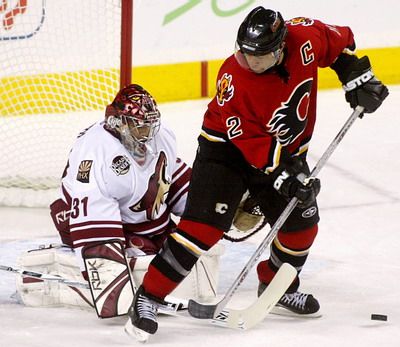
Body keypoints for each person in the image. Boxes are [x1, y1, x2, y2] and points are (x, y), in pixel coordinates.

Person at [127, 7, 389, 335]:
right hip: (226, 152)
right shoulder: (233, 78)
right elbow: (248, 141)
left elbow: (338, 44)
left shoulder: (305, 36)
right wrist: (286, 178)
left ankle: (275, 287)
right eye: (245, 54)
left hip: (285, 154)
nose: (251, 62)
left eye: (260, 56)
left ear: (281, 47)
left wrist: (355, 74)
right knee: (202, 229)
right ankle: (148, 296)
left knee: (301, 226)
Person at [48, 84, 192, 310]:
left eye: (151, 125)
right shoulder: (97, 153)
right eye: (140, 126)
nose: (148, 133)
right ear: (119, 123)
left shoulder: (160, 137)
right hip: (85, 220)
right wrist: (112, 290)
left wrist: (211, 209)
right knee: (146, 252)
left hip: (146, 221)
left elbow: (171, 176)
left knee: (185, 246)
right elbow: (93, 220)